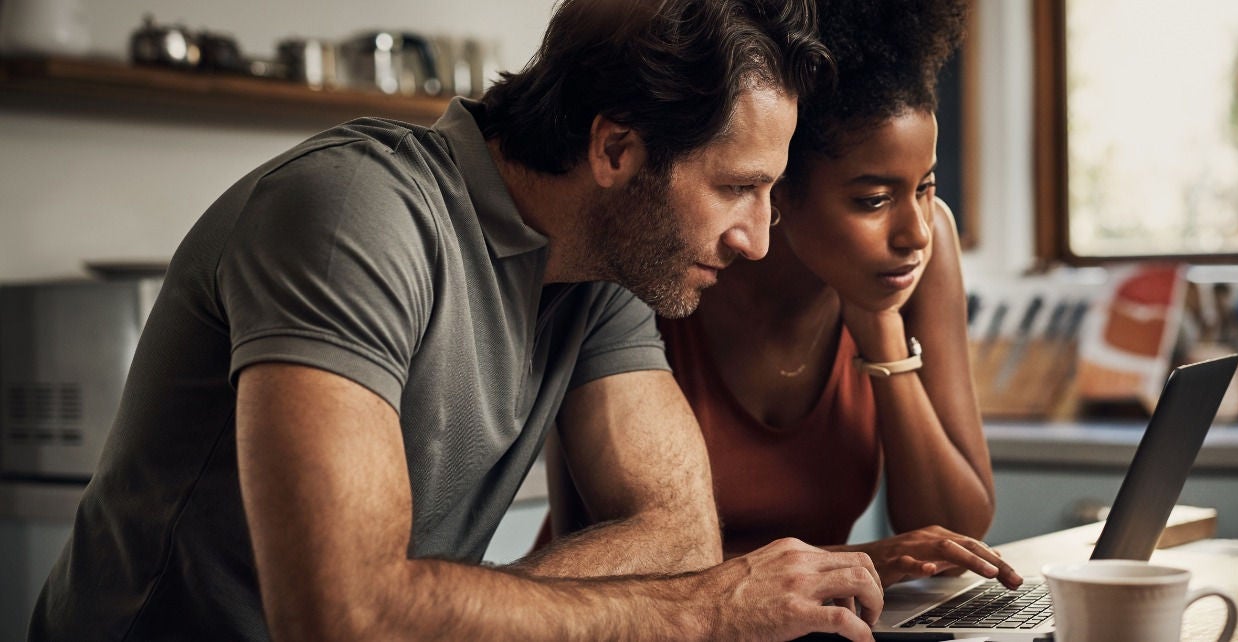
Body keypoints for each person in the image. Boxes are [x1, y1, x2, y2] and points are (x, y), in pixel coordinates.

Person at [29, 1, 890, 640]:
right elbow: (344, 614)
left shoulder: (604, 270)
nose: (758, 237)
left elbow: (677, 532)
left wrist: (447, 613)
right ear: (616, 151)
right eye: (738, 187)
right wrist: (700, 615)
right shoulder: (353, 215)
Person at [539, 0, 1024, 591]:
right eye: (872, 200)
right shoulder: (663, 261)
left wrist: (883, 334)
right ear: (779, 186)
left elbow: (954, 534)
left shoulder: (920, 252)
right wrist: (860, 560)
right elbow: (601, 550)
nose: (915, 232)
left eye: (924, 188)